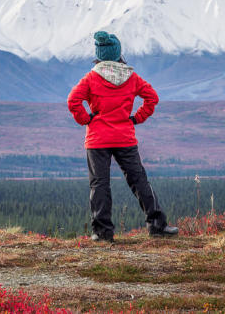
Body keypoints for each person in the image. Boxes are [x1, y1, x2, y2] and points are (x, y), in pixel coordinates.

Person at [67, 30, 179, 243]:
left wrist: (86, 120)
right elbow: (152, 98)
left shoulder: (91, 78)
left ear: (99, 55)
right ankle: (157, 225)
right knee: (139, 180)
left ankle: (103, 233)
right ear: (118, 53)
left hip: (98, 139)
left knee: (99, 184)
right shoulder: (132, 77)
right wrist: (136, 118)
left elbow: (72, 100)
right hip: (125, 137)